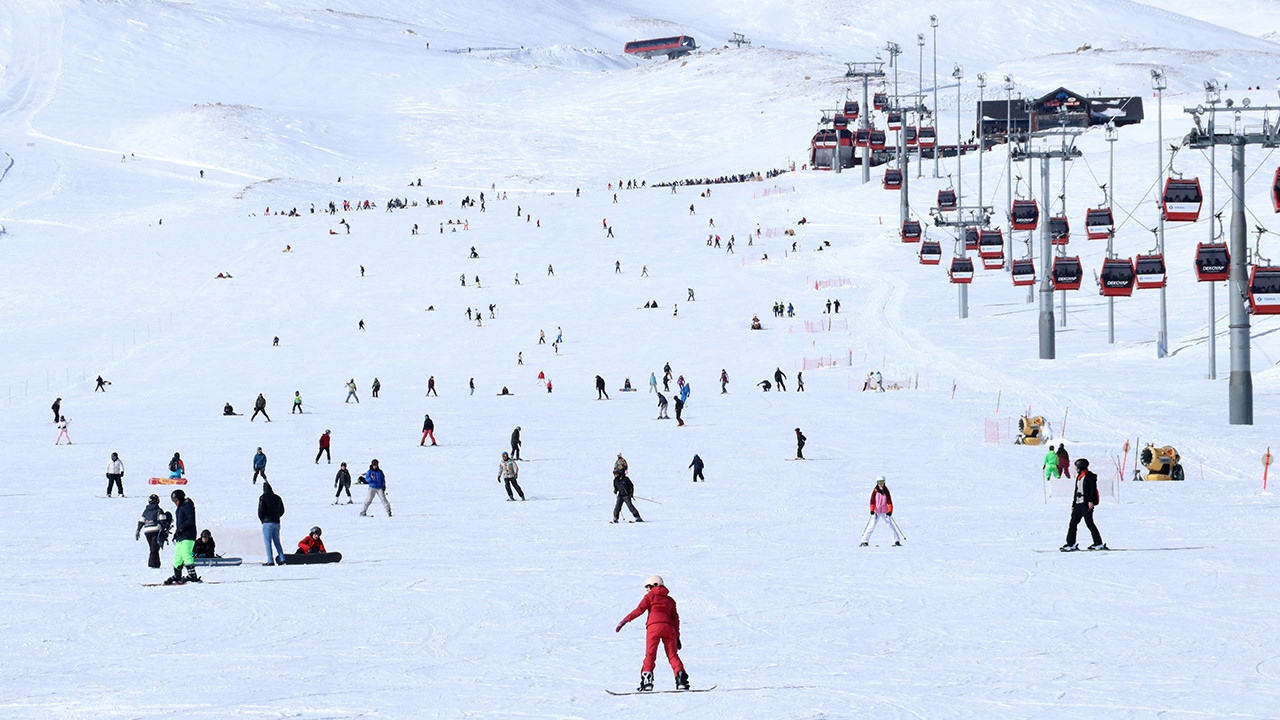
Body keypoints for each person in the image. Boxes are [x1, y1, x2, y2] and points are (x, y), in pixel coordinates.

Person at [615, 576, 687, 691]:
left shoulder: (649, 597)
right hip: (669, 628)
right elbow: (675, 619)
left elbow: (639, 610)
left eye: (648, 587)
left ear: (654, 585)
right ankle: (681, 680)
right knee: (673, 655)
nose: (647, 590)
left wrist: (625, 620)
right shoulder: (670, 600)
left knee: (650, 655)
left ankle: (647, 682)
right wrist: (677, 636)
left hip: (653, 628)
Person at [1062, 458, 1106, 551]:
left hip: (1086, 504)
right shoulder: (1079, 477)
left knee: (1089, 523)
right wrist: (1073, 504)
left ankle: (1098, 543)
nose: (1075, 469)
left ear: (1081, 467)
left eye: (1076, 467)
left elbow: (1092, 490)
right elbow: (1076, 491)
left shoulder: (1090, 476)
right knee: (1073, 523)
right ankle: (1070, 543)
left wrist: (1091, 501)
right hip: (1078, 504)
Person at [165, 489, 200, 584]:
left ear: (180, 498)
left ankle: (192, 575)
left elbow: (191, 520)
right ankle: (177, 576)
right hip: (181, 535)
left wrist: (181, 529)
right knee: (177, 557)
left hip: (188, 535)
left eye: (176, 500)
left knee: (186, 554)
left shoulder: (188, 505)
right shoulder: (180, 507)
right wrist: (177, 533)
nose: (175, 503)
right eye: (173, 501)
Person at [859, 476, 903, 547]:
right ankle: (864, 541)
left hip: (885, 512)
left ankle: (896, 540)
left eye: (882, 482)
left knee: (890, 526)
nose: (880, 484)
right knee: (871, 526)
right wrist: (872, 510)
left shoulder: (886, 491)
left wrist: (890, 511)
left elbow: (889, 502)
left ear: (884, 482)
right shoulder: (875, 491)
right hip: (876, 512)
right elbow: (872, 501)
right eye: (879, 482)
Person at [258, 482, 286, 565]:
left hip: (267, 522)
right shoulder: (277, 498)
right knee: (277, 541)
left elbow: (261, 510)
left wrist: (262, 519)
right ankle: (282, 558)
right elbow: (282, 510)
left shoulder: (263, 497)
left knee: (268, 542)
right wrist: (277, 516)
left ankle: (270, 561)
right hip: (276, 522)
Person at [136, 494, 164, 568]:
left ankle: (156, 563)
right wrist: (165, 528)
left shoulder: (146, 511)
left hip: (147, 531)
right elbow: (162, 520)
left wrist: (138, 530)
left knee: (152, 547)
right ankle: (152, 564)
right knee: (154, 548)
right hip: (156, 529)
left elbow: (141, 521)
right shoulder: (158, 510)